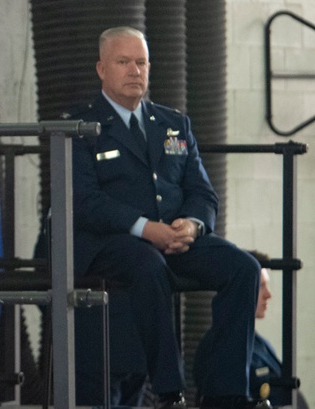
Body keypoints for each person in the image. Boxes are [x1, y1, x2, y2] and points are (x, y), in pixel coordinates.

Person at [66, 26, 265, 409]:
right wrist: (146, 228)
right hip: (114, 241)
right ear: (101, 69)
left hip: (176, 236)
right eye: (123, 62)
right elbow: (85, 201)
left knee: (244, 268)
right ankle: (170, 391)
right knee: (149, 265)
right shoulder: (80, 126)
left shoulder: (173, 124)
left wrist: (192, 224)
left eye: (141, 62)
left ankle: (225, 393)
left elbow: (203, 193)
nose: (134, 71)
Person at [198, 250, 307, 409]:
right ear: (242, 286)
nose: (268, 294)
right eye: (261, 285)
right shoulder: (216, 347)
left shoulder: (260, 343)